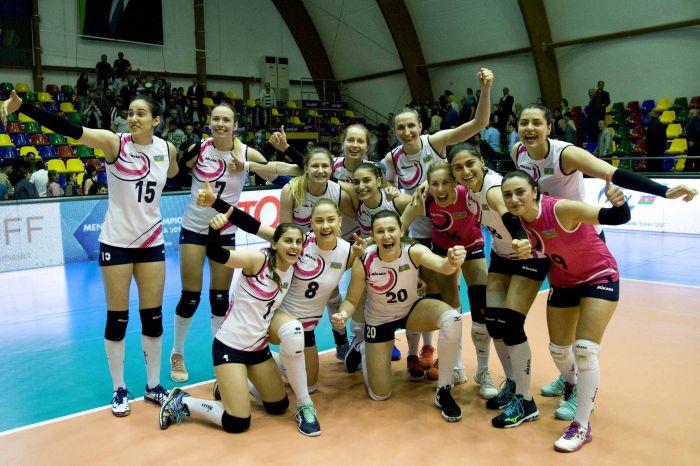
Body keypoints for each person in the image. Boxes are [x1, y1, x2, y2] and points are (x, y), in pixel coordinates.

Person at [511, 103, 697, 418]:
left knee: (583, 330)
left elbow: (612, 173)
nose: (529, 128)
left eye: (536, 123)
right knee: (562, 324)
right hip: (549, 240)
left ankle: (580, 387)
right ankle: (569, 375)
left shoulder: (565, 155)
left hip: (581, 236)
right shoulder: (518, 152)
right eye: (524, 122)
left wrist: (665, 191)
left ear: (549, 127)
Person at [2, 90, 179, 417]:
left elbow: (173, 171)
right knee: (118, 318)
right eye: (130, 112)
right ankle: (119, 388)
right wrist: (23, 107)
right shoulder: (115, 143)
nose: (133, 118)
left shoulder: (166, 149)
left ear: (156, 120)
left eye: (141, 113)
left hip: (152, 242)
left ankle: (154, 386)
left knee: (153, 318)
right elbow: (69, 128)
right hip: (116, 243)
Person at [501, 169, 630, 452]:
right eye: (507, 194)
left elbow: (618, 217)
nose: (513, 199)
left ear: (535, 191)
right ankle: (572, 384)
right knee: (559, 350)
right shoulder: (515, 220)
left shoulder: (562, 209)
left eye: (520, 192)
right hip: (563, 281)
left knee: (584, 349)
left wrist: (619, 202)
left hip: (599, 276)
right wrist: (526, 249)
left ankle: (581, 426)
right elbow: (532, 240)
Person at [169, 103, 298, 383]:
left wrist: (281, 151)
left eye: (226, 120)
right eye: (216, 119)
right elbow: (174, 177)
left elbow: (287, 174)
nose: (220, 124)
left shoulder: (246, 153)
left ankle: (221, 359)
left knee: (219, 299)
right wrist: (177, 160)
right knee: (190, 297)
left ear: (235, 125)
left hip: (225, 230)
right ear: (209, 123)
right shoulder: (198, 149)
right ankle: (177, 352)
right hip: (194, 228)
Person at [383, 68, 493, 378]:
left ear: (420, 126)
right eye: (400, 128)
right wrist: (397, 195)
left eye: (411, 126)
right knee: (431, 296)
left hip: (458, 232)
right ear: (395, 131)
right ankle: (429, 352)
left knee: (474, 299)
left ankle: (466, 364)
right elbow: (391, 190)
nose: (407, 132)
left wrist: (485, 89)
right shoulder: (392, 158)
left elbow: (478, 124)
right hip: (423, 236)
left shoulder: (436, 142)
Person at [159, 220, 305, 435]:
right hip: (230, 347)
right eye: (288, 241)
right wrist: (214, 229)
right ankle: (184, 401)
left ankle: (231, 386)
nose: (294, 246)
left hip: (258, 349)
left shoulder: (291, 269)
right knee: (237, 422)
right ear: (275, 244)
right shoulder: (258, 260)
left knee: (279, 406)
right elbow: (216, 253)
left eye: (298, 242)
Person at [447, 144, 549, 427]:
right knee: (494, 324)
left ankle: (526, 402)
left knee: (511, 324)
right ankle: (514, 385)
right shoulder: (469, 193)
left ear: (482, 162)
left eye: (470, 164)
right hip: (501, 256)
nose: (466, 171)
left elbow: (508, 215)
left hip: (528, 255)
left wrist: (520, 238)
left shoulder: (492, 187)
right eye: (458, 167)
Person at [331, 210, 466, 422]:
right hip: (379, 321)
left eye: (391, 229)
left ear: (401, 231)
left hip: (410, 311)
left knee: (452, 318)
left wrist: (452, 260)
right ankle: (363, 345)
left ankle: (444, 390)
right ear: (373, 235)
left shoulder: (413, 251)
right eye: (380, 231)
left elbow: (444, 267)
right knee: (380, 394)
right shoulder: (364, 260)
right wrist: (343, 313)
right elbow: (351, 300)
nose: (386, 236)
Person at [400, 161, 497, 397]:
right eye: (435, 183)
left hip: (472, 248)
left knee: (481, 307)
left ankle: (483, 371)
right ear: (428, 185)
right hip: (443, 252)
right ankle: (456, 368)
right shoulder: (425, 199)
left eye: (446, 182)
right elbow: (401, 224)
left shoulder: (468, 196)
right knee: (451, 309)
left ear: (454, 182)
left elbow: (489, 180)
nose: (440, 188)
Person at [686, 108, 700, 172]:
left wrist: (693, 141)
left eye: (689, 113)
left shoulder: (694, 122)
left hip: (694, 148)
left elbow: (697, 132)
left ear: (692, 114)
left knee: (689, 166)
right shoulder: (695, 122)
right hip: (695, 147)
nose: (688, 115)